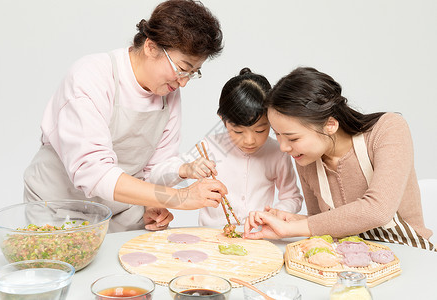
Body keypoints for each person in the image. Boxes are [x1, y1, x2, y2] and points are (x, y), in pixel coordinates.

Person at [23, 0, 227, 233]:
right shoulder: (92, 76)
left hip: (121, 213)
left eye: (193, 73)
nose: (183, 82)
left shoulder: (168, 92)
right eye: (182, 68)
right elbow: (95, 173)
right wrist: (179, 198)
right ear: (151, 47)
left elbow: (153, 171)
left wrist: (151, 204)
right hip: (57, 209)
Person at [244, 67, 435, 251]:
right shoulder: (306, 159)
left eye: (293, 138)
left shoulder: (388, 130)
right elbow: (325, 228)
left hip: (410, 256)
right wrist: (292, 220)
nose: (283, 147)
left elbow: (378, 209)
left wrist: (293, 228)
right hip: (352, 265)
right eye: (277, 134)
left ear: (330, 125)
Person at [153, 68, 303, 226]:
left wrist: (276, 213)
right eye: (238, 131)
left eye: (260, 130)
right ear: (222, 119)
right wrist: (185, 169)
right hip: (210, 238)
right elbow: (156, 177)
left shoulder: (277, 152)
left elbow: (292, 197)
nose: (250, 140)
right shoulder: (210, 146)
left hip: (257, 238)